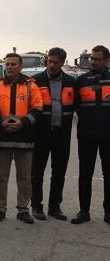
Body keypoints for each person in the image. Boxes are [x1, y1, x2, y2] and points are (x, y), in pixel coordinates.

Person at [0, 53, 43, 224]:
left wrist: (23, 123)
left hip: (24, 138)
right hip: (2, 137)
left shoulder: (31, 86)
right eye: (7, 64)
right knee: (0, 178)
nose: (10, 67)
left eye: (13, 64)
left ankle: (23, 210)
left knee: (25, 178)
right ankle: (0, 209)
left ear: (20, 66)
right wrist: (1, 123)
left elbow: (38, 109)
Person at [31, 47, 75, 221]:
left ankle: (55, 207)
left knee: (59, 173)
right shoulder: (36, 81)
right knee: (37, 172)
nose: (52, 65)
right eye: (49, 61)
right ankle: (36, 206)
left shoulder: (71, 82)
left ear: (63, 63)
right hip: (41, 134)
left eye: (56, 62)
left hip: (62, 134)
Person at [71, 45, 110, 225]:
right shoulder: (81, 81)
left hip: (108, 136)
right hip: (87, 135)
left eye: (97, 59)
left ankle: (108, 212)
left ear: (106, 61)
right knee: (85, 173)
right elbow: (76, 105)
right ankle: (84, 211)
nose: (93, 62)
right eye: (92, 58)